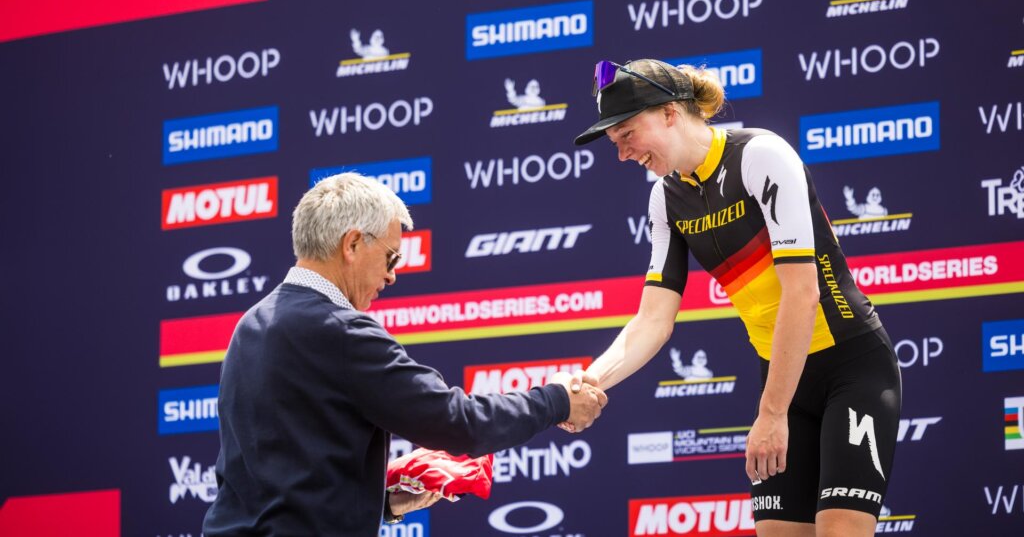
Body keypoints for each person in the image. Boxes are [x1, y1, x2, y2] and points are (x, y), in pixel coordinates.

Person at [570, 59, 901, 537]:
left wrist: (772, 413)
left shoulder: (761, 155)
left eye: (626, 133)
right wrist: (589, 380)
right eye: (614, 142)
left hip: (851, 368)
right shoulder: (665, 198)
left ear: (669, 113)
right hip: (783, 380)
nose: (622, 153)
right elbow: (653, 320)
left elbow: (802, 293)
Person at [203, 173, 607, 537]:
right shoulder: (340, 331)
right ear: (353, 244)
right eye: (391, 256)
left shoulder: (251, 324)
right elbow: (459, 423)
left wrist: (383, 502)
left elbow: (279, 478)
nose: (392, 274)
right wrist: (555, 400)